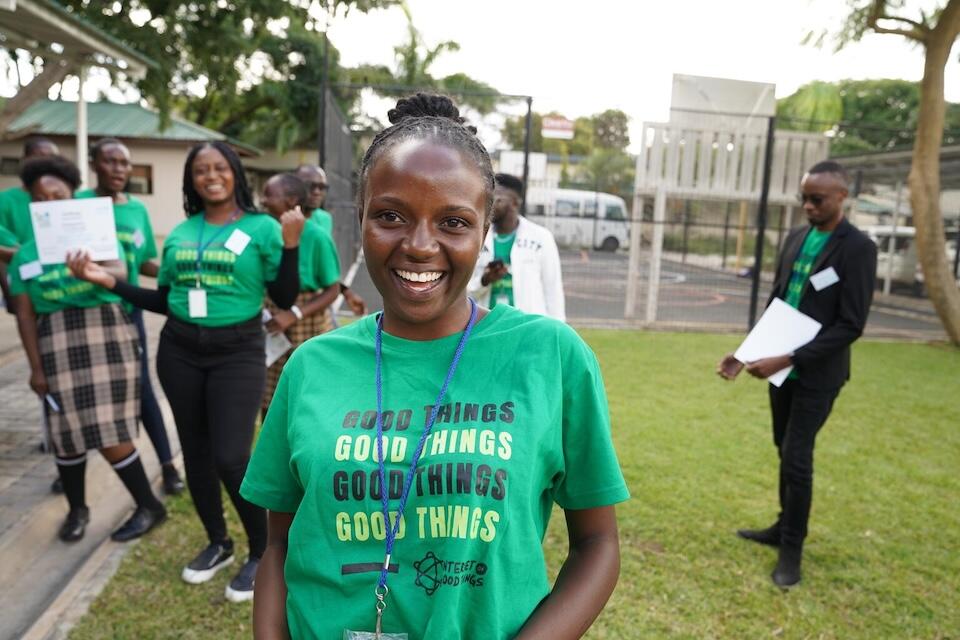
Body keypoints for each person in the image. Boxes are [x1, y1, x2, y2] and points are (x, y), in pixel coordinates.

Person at [241, 94, 628, 639]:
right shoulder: (311, 366)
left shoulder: (550, 356)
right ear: (362, 220)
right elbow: (279, 544)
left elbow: (598, 543)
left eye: (452, 221)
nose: (420, 246)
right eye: (391, 216)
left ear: (484, 232)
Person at [68, 141, 304, 603]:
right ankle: (218, 542)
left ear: (235, 172)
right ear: (191, 180)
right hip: (179, 350)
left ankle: (261, 551)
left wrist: (291, 245)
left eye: (219, 167)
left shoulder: (262, 228)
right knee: (195, 454)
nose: (210, 176)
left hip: (236, 351)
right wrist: (108, 283)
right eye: (201, 170)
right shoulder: (179, 233)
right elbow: (166, 300)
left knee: (232, 457)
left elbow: (284, 291)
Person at [717, 160, 877, 589]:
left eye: (817, 199)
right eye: (803, 197)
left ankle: (792, 551)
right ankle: (782, 526)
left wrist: (787, 358)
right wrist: (746, 353)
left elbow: (851, 325)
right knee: (782, 448)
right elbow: (778, 303)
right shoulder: (795, 237)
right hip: (780, 371)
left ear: (842, 197)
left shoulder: (858, 248)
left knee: (797, 457)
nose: (808, 206)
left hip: (818, 374)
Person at [8, 155, 166, 543]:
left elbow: (121, 275)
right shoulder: (25, 255)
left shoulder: (97, 237)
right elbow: (25, 317)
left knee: (108, 430)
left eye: (57, 195)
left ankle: (148, 504)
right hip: (56, 344)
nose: (50, 204)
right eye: (40, 199)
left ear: (72, 195)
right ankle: (78, 509)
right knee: (65, 433)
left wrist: (92, 269)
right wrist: (35, 368)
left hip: (107, 338)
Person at [76, 137, 185, 495]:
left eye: (125, 163)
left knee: (142, 392)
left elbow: (146, 262)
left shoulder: (136, 210)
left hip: (127, 313)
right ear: (94, 165)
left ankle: (168, 465)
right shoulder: (78, 205)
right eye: (111, 162)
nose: (120, 170)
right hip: (87, 313)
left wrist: (178, 269)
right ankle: (73, 460)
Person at [259, 173, 341, 415]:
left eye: (269, 195)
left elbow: (333, 289)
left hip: (306, 320)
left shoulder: (316, 236)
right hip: (273, 322)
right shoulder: (268, 231)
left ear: (291, 200)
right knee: (271, 397)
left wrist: (294, 313)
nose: (263, 201)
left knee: (306, 395)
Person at [469, 173, 566, 321]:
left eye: (497, 199)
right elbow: (466, 292)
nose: (491, 205)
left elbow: (552, 289)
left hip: (528, 328)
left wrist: (558, 328)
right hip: (488, 326)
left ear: (515, 203)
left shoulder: (541, 238)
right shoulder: (477, 236)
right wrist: (485, 280)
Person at [297, 163, 367, 317]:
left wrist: (346, 292)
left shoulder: (324, 219)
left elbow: (324, 267)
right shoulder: (280, 222)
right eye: (310, 186)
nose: (316, 192)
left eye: (322, 187)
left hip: (319, 300)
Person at [0, 137, 61, 313]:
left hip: (63, 286)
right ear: (24, 161)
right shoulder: (5, 201)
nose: (45, 164)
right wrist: (9, 291)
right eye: (39, 157)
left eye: (52, 159)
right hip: (26, 284)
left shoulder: (67, 199)